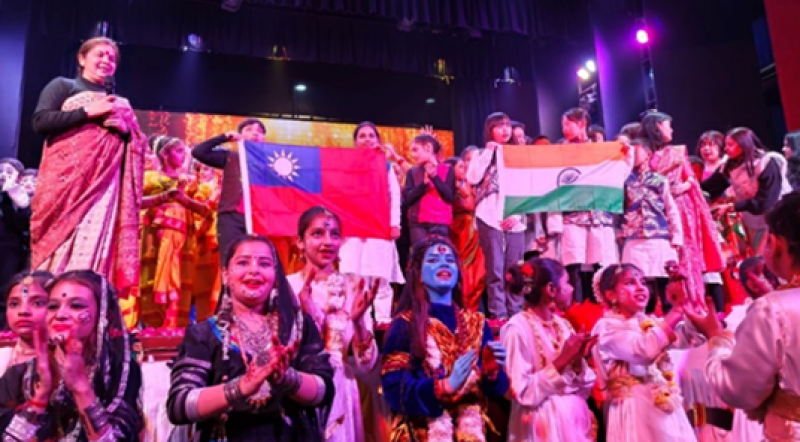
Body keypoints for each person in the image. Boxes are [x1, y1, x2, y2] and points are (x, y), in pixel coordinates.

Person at [167, 235, 334, 441]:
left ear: (275, 275)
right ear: (226, 275)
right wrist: (241, 387)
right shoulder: (204, 334)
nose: (254, 270)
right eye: (243, 262)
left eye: (264, 263)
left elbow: (324, 392)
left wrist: (286, 378)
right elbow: (179, 405)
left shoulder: (297, 328)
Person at [30, 37, 145, 299]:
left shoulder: (119, 102)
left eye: (112, 58)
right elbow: (40, 122)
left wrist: (126, 132)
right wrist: (88, 111)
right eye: (100, 55)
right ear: (82, 59)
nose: (106, 61)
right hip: (64, 183)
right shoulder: (63, 85)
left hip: (103, 187)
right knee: (56, 245)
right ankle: (48, 302)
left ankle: (86, 303)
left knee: (93, 246)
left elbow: (139, 146)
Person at [687, 191, 800, 441]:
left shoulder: (773, 309)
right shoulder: (775, 306)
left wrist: (716, 338)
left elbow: (739, 389)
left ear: (778, 243)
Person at [381, 236, 509, 440]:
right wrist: (444, 386)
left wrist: (491, 375)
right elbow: (394, 390)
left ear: (458, 273)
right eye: (433, 260)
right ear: (419, 275)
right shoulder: (405, 324)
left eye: (450, 260)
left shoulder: (476, 323)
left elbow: (495, 392)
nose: (443, 263)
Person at [0, 270, 143, 441]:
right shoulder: (20, 375)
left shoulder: (117, 372)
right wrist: (41, 396)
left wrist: (81, 387)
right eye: (53, 306)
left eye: (76, 306)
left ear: (104, 315)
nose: (60, 315)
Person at [287, 207, 378, 442]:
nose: (328, 242)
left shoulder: (352, 287)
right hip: (296, 386)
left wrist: (357, 323)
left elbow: (367, 364)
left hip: (341, 388)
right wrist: (306, 318)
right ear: (299, 242)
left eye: (334, 234)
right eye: (317, 234)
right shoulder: (286, 288)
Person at [592, 264, 703, 442]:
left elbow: (692, 338)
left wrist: (684, 302)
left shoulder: (650, 323)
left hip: (663, 407)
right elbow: (643, 351)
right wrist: (675, 312)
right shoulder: (606, 328)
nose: (640, 287)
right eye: (630, 282)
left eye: (643, 282)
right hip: (633, 409)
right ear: (611, 295)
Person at [501, 258, 597, 442]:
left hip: (572, 420)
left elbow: (582, 389)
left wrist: (578, 360)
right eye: (567, 283)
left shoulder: (563, 325)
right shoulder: (516, 328)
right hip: (539, 424)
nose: (572, 289)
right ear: (551, 289)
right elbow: (520, 392)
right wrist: (563, 359)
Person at [640, 111, 724, 306]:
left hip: (683, 210)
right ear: (657, 127)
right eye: (668, 125)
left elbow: (691, 178)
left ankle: (696, 302)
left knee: (688, 255)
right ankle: (674, 306)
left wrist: (684, 186)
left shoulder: (677, 151)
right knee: (669, 258)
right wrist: (668, 179)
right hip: (659, 212)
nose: (672, 129)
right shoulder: (644, 154)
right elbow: (645, 182)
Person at [139, 135, 211, 329]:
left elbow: (205, 211)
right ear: (164, 154)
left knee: (181, 282)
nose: (183, 156)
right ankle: (154, 330)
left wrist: (183, 199)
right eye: (179, 151)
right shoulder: (149, 178)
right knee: (153, 278)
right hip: (156, 238)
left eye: (184, 152)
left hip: (184, 239)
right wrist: (162, 198)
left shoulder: (190, 183)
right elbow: (134, 203)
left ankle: (176, 330)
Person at [548, 108, 619, 304]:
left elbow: (616, 175)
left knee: (600, 264)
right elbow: (552, 184)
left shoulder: (600, 149)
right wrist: (554, 221)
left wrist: (626, 153)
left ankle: (602, 304)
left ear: (581, 124)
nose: (564, 129)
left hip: (597, 215)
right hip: (572, 215)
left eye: (567, 124)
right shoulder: (559, 151)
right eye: (563, 125)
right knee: (573, 266)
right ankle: (573, 307)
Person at [339, 122, 404, 326]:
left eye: (371, 136)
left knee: (380, 276)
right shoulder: (345, 165)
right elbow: (338, 196)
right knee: (354, 276)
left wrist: (395, 224)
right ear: (355, 141)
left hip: (379, 225)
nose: (367, 139)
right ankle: (358, 322)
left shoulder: (385, 165)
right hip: (352, 227)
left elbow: (393, 195)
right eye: (362, 136)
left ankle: (383, 321)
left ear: (378, 140)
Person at [466, 112, 526, 321]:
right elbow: (472, 177)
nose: (505, 130)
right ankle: (499, 315)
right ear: (490, 130)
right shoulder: (481, 154)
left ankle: (515, 313)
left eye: (508, 125)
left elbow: (527, 188)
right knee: (495, 270)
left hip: (514, 219)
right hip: (488, 217)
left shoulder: (518, 155)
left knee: (515, 271)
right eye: (499, 126)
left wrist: (517, 216)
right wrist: (487, 154)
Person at [703, 127, 792, 257]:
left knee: (778, 257)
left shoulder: (766, 162)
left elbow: (765, 201)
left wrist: (732, 206)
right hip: (754, 221)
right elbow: (710, 187)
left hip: (779, 218)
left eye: (730, 145)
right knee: (762, 261)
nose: (726, 149)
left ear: (743, 145)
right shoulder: (729, 165)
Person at [620, 139, 683, 314]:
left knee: (664, 283)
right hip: (634, 239)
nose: (632, 155)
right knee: (640, 286)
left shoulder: (659, 181)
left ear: (648, 154)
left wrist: (677, 236)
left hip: (658, 237)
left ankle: (670, 326)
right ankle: (643, 323)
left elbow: (671, 209)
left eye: (636, 151)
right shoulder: (624, 182)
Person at [191, 118, 267, 263]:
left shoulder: (269, 162)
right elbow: (198, 152)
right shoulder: (230, 158)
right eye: (249, 130)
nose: (255, 134)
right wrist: (224, 137)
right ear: (239, 135)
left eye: (259, 131)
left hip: (259, 217)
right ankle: (229, 287)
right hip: (231, 216)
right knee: (231, 260)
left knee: (257, 260)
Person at [444, 150, 485, 311]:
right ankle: (463, 309)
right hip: (460, 233)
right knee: (465, 273)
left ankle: (473, 310)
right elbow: (467, 206)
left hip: (474, 234)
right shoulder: (450, 189)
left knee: (479, 274)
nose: (465, 168)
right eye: (461, 166)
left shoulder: (469, 184)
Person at [404, 134, 456, 245]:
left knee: (438, 259)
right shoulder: (413, 172)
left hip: (441, 222)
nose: (413, 155)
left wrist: (435, 177)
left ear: (428, 148)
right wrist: (423, 184)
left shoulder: (447, 169)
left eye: (415, 150)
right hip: (418, 224)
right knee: (421, 258)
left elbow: (449, 196)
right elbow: (408, 199)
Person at [0, 271, 52, 372]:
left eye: (37, 303)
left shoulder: (67, 363)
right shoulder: (2, 357)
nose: (23, 311)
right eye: (14, 304)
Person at [0, 159, 31, 293]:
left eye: (9, 172)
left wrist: (12, 195)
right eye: (0, 171)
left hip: (8, 251)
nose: (3, 175)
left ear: (18, 178)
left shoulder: (21, 198)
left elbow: (22, 225)